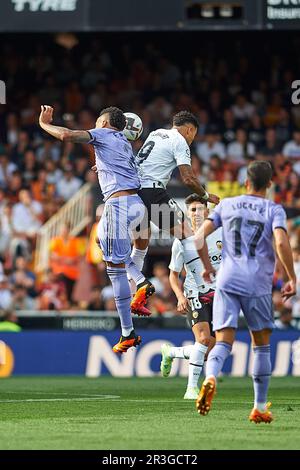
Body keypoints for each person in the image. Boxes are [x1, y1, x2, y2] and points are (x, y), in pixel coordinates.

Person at [39, 105, 153, 353]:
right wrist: (101, 167)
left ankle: (128, 330)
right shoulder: (124, 142)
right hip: (137, 204)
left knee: (115, 271)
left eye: (97, 120)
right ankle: (140, 280)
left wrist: (44, 124)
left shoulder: (103, 134)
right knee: (101, 241)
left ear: (103, 122)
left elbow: (67, 135)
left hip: (117, 205)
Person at [195, 161, 297, 423]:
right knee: (261, 347)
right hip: (257, 282)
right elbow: (282, 241)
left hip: (227, 279)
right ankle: (259, 408)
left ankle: (210, 378)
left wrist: (207, 267)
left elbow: (197, 238)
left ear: (246, 182)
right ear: (270, 185)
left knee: (223, 341)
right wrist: (291, 277)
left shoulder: (227, 204)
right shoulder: (273, 208)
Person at [131, 111, 220, 299]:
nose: (192, 140)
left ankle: (132, 294)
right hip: (153, 193)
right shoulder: (179, 140)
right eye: (193, 135)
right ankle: (204, 288)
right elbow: (188, 179)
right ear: (189, 130)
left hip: (135, 194)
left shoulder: (155, 133)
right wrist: (205, 195)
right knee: (188, 236)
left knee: (140, 246)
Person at [160, 194, 222, 399]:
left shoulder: (220, 233)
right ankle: (191, 389)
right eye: (192, 210)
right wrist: (179, 296)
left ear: (208, 210)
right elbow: (173, 274)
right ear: (187, 214)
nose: (196, 214)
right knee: (203, 339)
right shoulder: (181, 242)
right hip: (196, 294)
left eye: (200, 209)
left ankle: (171, 353)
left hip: (220, 295)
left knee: (207, 347)